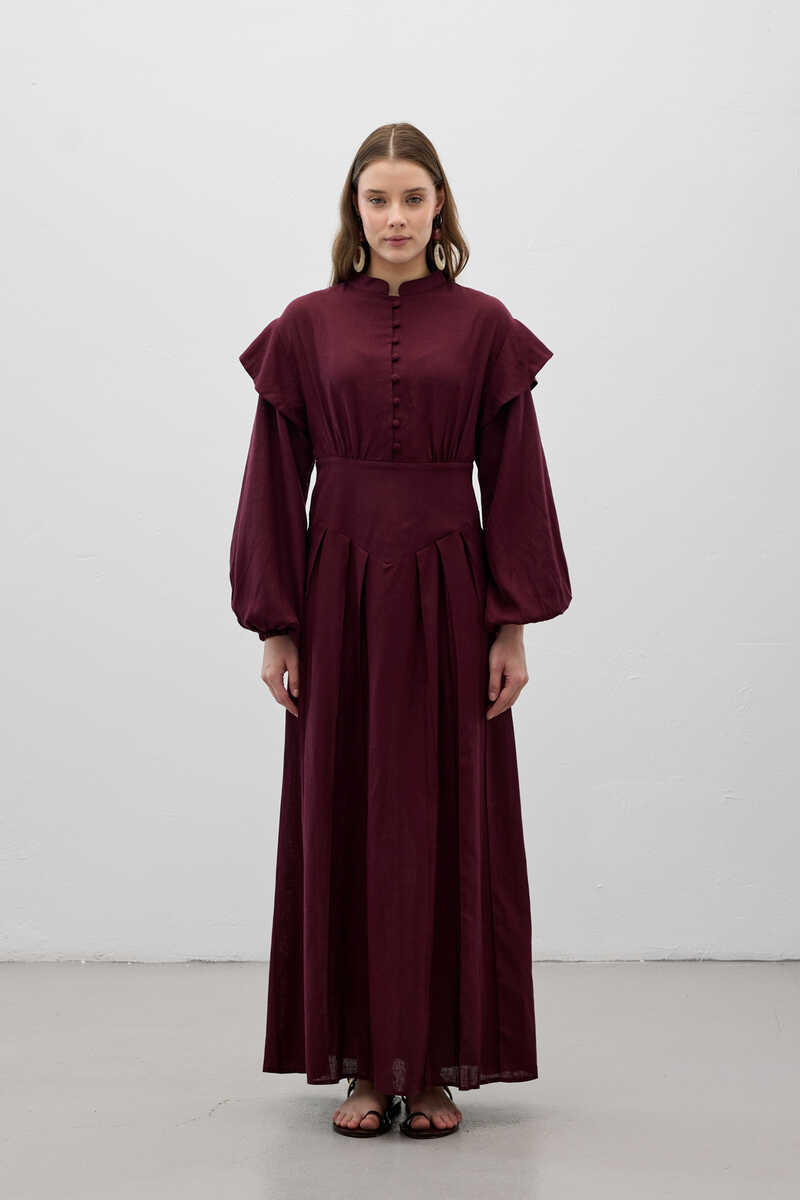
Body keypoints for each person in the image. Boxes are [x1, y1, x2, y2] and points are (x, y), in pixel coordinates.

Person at [229, 123, 572, 1140]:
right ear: (355, 208)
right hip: (335, 592)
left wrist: (511, 624)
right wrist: (276, 625)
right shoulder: (303, 325)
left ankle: (432, 1072)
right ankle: (361, 1069)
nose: (394, 217)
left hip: (449, 592)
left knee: (443, 815)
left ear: (438, 207)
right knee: (343, 809)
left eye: (412, 198)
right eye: (376, 199)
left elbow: (515, 482)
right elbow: (272, 481)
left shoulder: (483, 325)